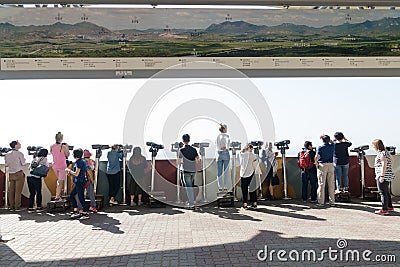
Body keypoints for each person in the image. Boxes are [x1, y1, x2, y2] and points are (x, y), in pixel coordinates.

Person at [372, 139, 395, 215]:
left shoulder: (381, 154)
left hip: (382, 175)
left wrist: (382, 175)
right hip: (388, 175)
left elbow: (383, 164)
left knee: (382, 192)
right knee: (386, 192)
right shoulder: (386, 152)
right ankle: (389, 206)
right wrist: (389, 168)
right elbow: (392, 159)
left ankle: (384, 209)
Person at [66, 149, 89, 219]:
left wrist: (69, 170)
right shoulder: (82, 161)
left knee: (80, 197)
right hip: (80, 181)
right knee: (72, 195)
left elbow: (76, 173)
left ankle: (84, 211)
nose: (72, 155)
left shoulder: (79, 162)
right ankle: (76, 210)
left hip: (80, 181)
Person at [178, 134, 200, 209]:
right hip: (193, 170)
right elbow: (198, 159)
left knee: (188, 187)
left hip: (186, 170)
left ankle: (191, 203)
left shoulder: (181, 150)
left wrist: (182, 163)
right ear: (189, 140)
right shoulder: (194, 149)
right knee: (191, 186)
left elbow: (179, 161)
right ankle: (192, 201)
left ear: (183, 141)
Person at [5, 140, 27, 212]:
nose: (20, 144)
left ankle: (11, 206)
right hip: (18, 173)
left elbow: (7, 164)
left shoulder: (7, 154)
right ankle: (17, 206)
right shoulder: (20, 153)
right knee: (18, 191)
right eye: (19, 143)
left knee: (11, 190)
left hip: (11, 173)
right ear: (16, 145)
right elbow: (23, 163)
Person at [315, 135, 335, 207]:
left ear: (322, 140)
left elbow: (316, 157)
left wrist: (316, 164)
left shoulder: (320, 147)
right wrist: (327, 138)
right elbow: (332, 142)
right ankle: (332, 201)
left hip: (322, 165)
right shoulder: (332, 146)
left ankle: (321, 201)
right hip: (331, 164)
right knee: (331, 184)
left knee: (321, 184)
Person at [27, 148, 50, 213]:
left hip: (30, 177)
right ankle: (38, 207)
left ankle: (30, 207)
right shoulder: (44, 159)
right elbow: (46, 167)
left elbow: (29, 168)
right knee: (38, 192)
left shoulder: (34, 158)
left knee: (32, 193)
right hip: (37, 178)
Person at [50, 132, 70, 200]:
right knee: (60, 181)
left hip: (55, 165)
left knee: (59, 180)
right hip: (62, 166)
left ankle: (58, 195)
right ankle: (57, 196)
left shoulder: (52, 146)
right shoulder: (63, 146)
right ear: (61, 139)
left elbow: (52, 153)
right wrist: (67, 147)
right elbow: (67, 154)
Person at [240, 144, 258, 209]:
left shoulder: (242, 154)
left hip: (243, 174)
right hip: (251, 173)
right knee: (252, 189)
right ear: (250, 148)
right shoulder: (253, 155)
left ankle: (245, 205)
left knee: (244, 190)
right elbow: (255, 162)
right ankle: (254, 203)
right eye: (252, 149)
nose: (252, 150)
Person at [216, 123, 231, 192]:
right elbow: (228, 145)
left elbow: (217, 146)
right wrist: (226, 148)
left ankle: (219, 187)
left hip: (219, 154)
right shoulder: (227, 136)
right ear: (224, 129)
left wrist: (220, 148)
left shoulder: (218, 136)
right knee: (226, 172)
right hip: (225, 154)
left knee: (219, 172)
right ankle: (225, 187)